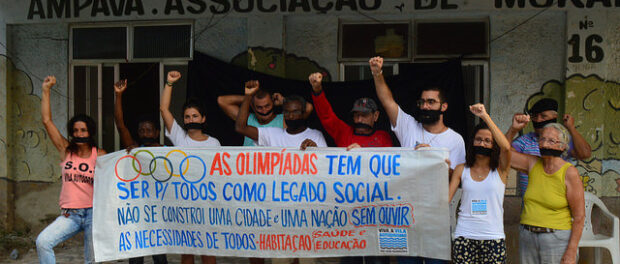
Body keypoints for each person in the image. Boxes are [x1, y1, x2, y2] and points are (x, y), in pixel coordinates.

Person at [370, 56, 465, 264]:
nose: (425, 106)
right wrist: (377, 73)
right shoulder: (409, 126)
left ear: (444, 106)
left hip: (435, 221)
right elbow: (387, 100)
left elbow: (457, 181)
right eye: (422, 102)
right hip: (404, 218)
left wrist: (437, 162)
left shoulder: (455, 140)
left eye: (431, 102)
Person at [36, 76, 107, 264]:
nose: (79, 134)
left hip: (93, 213)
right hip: (71, 215)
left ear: (90, 132)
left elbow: (112, 181)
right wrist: (46, 89)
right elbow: (46, 121)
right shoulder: (66, 150)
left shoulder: (99, 155)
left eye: (83, 130)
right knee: (43, 242)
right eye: (75, 131)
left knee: (91, 260)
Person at [160, 71, 220, 264]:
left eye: (195, 115)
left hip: (207, 205)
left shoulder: (215, 144)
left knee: (207, 251)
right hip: (184, 205)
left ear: (203, 119)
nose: (190, 119)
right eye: (187, 116)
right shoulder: (179, 137)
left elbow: (220, 175)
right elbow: (163, 109)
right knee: (187, 252)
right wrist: (169, 83)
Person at [509, 117, 585, 264]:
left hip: (556, 239)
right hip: (527, 237)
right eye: (542, 139)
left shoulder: (569, 172)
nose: (544, 144)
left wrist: (571, 251)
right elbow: (504, 154)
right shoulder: (532, 163)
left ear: (563, 146)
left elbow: (579, 217)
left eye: (551, 141)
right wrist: (513, 130)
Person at [448, 104, 511, 264]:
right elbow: (445, 199)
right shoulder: (462, 169)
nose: (482, 144)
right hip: (465, 236)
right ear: (472, 142)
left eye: (487, 141)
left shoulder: (500, 170)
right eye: (478, 139)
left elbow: (506, 147)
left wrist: (484, 116)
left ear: (493, 145)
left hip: (493, 237)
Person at [114, 80, 168, 264]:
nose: (145, 133)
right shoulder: (134, 147)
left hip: (158, 210)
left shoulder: (166, 151)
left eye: (149, 130)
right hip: (137, 208)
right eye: (141, 130)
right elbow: (120, 124)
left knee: (160, 256)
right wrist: (119, 95)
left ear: (157, 132)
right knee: (136, 254)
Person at [506, 98, 591, 196]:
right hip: (530, 207)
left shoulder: (563, 140)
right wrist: (513, 129)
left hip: (558, 205)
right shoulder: (525, 141)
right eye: (535, 116)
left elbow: (585, 153)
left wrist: (571, 128)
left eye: (543, 116)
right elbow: (501, 153)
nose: (538, 120)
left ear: (555, 117)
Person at [309, 72, 392, 149]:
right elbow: (326, 116)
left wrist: (363, 153)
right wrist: (317, 90)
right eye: (356, 115)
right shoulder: (344, 133)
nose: (359, 120)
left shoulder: (383, 137)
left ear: (375, 116)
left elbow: (387, 162)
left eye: (364, 115)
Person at [235, 80, 327, 149]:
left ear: (303, 113)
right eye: (287, 112)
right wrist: (248, 96)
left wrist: (315, 150)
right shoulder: (271, 134)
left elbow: (325, 165)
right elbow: (241, 128)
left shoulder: (315, 135)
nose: (291, 116)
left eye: (295, 112)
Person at [217, 82, 313, 146]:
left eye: (267, 106)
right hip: (250, 170)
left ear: (273, 103)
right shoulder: (246, 118)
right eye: (259, 107)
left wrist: (284, 101)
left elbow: (308, 108)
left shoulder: (284, 119)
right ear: (253, 107)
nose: (264, 110)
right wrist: (248, 98)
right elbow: (222, 101)